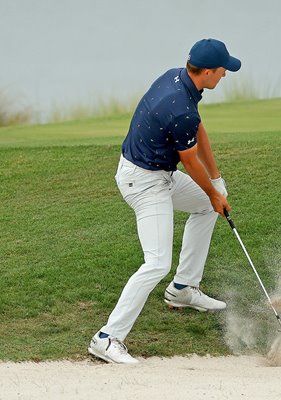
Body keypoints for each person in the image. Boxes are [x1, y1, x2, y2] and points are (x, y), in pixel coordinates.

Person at [88, 38, 241, 364]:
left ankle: (184, 288)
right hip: (143, 183)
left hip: (155, 172)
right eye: (223, 70)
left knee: (204, 205)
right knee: (156, 262)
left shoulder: (177, 78)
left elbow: (198, 131)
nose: (225, 75)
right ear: (209, 72)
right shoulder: (179, 107)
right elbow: (189, 160)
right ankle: (107, 338)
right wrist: (214, 193)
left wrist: (216, 184)